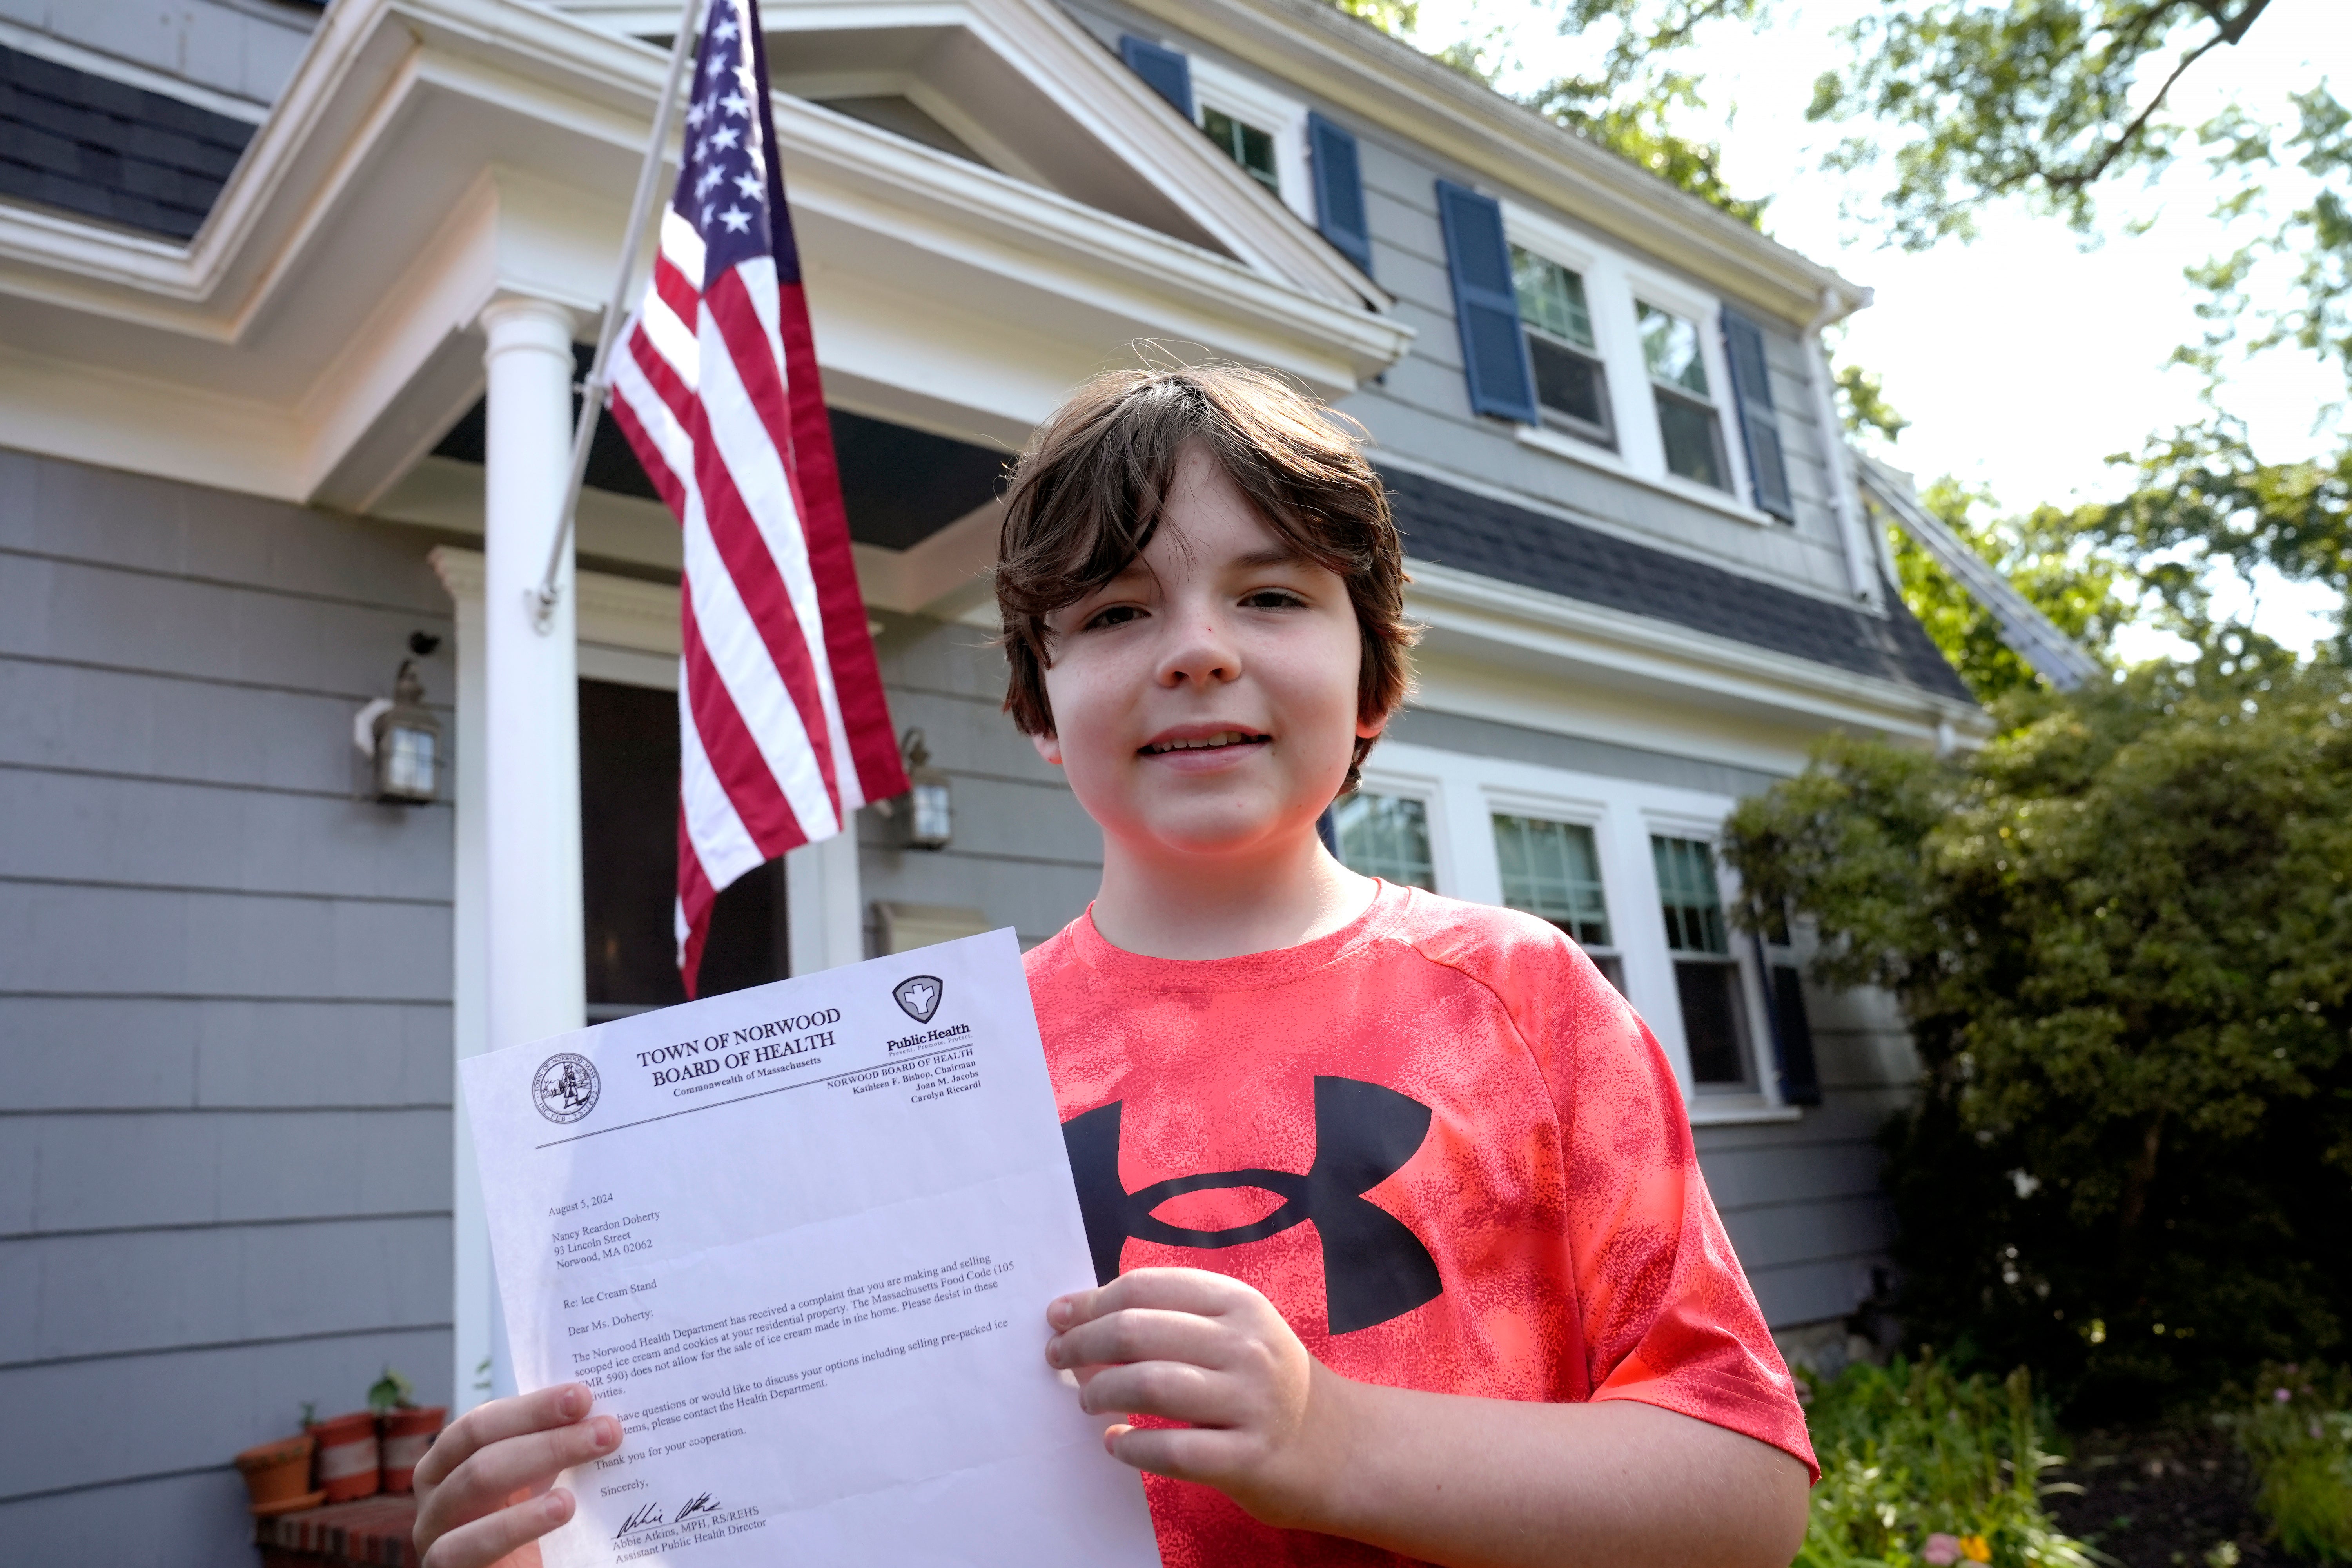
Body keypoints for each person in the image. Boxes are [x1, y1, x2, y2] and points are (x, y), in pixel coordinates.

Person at [412, 367, 1816, 1568]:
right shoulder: (933, 1079)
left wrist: (1329, 1440)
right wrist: (596, 1530)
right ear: (1039, 704)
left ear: (1375, 676)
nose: (1197, 652)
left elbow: (1743, 1491)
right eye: (1114, 614)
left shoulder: (1522, 997)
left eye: (1271, 595)